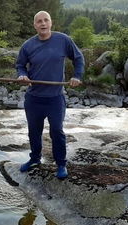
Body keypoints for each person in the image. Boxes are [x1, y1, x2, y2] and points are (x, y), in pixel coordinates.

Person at [16, 10, 84, 179]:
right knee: (34, 131)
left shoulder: (63, 40)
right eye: (39, 21)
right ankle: (34, 159)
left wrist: (76, 76)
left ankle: (61, 164)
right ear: (35, 25)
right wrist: (22, 75)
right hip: (34, 98)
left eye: (46, 20)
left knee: (57, 131)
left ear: (51, 23)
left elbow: (78, 58)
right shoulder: (28, 45)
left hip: (55, 98)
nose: (43, 23)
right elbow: (20, 65)